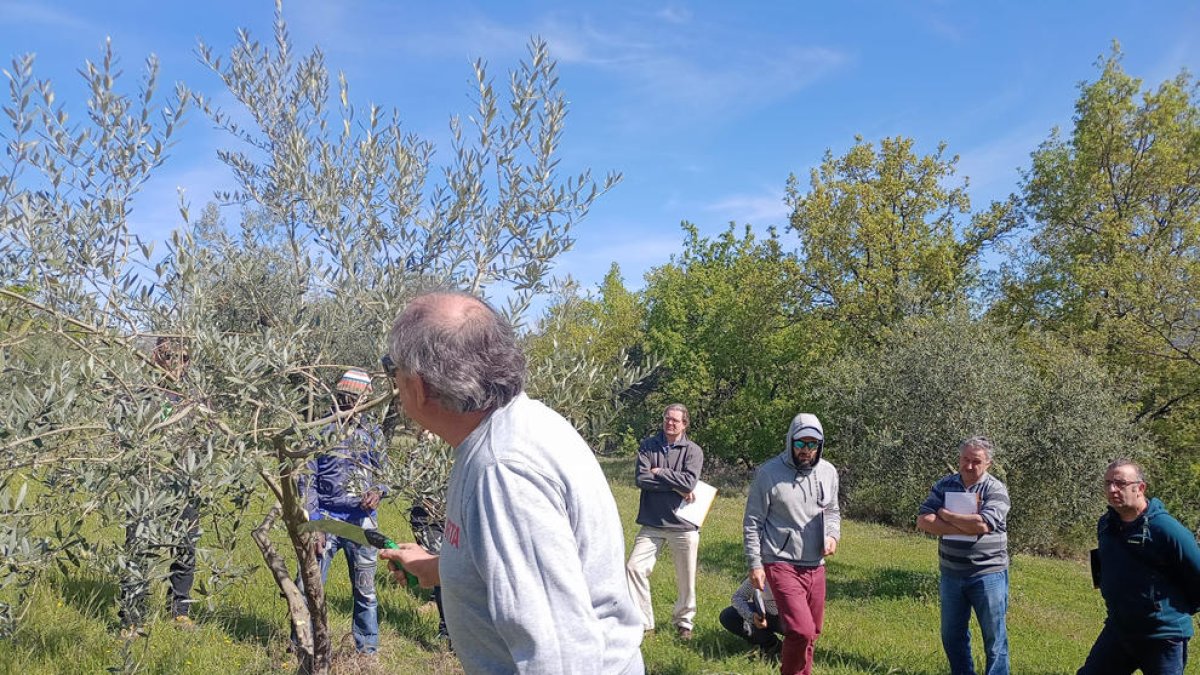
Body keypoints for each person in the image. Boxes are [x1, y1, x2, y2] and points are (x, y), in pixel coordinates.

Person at [379, 291, 644, 674]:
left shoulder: (503, 470)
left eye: (392, 368)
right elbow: (522, 568)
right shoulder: (517, 425)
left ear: (418, 386)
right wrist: (438, 567)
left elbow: (559, 655)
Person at [1077, 459, 1200, 675]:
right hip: (1119, 630)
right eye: (1108, 483)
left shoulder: (1166, 529)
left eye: (1120, 483)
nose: (1112, 489)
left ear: (1140, 488)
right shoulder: (1106, 524)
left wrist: (1170, 612)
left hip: (1162, 637)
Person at [298, 368, 388, 655]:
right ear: (339, 397)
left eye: (360, 399)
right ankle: (303, 647)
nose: (353, 404)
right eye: (348, 397)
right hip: (325, 519)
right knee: (309, 588)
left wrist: (377, 491)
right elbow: (307, 481)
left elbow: (384, 474)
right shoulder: (321, 430)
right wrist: (314, 525)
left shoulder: (373, 433)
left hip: (362, 523)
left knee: (366, 591)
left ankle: (367, 651)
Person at [742, 412, 840, 675]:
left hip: (815, 564)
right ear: (790, 442)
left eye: (812, 444)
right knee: (800, 630)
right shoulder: (769, 473)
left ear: (820, 444)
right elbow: (752, 522)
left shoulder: (828, 472)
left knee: (812, 632)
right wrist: (755, 563)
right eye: (800, 443)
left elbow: (832, 511)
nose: (806, 450)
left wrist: (832, 536)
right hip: (780, 561)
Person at [120, 336, 202, 632]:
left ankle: (180, 610)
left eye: (184, 358)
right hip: (147, 482)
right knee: (138, 547)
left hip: (185, 482)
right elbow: (123, 434)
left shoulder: (195, 395)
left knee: (185, 546)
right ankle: (132, 617)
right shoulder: (140, 393)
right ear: (156, 356)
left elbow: (207, 436)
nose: (177, 364)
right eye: (170, 356)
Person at [916, 436, 1011, 675]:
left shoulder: (995, 489)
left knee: (994, 639)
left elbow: (982, 524)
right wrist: (963, 526)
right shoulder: (944, 484)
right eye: (965, 459)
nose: (969, 466)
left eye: (976, 461)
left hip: (987, 574)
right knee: (952, 635)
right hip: (951, 574)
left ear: (988, 463)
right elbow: (923, 520)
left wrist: (946, 515)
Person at [625, 403, 704, 640]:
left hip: (683, 524)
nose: (670, 423)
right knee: (633, 568)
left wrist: (660, 472)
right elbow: (642, 479)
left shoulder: (693, 451)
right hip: (652, 522)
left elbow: (689, 482)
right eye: (667, 418)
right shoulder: (649, 445)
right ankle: (644, 623)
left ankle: (684, 622)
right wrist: (676, 488)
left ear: (684, 424)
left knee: (686, 577)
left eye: (675, 420)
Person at [718, 576, 782, 656]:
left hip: (792, 618)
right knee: (729, 616)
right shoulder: (760, 574)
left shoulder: (794, 574)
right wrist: (751, 616)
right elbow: (738, 597)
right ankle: (772, 645)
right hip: (766, 614)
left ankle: (792, 649)